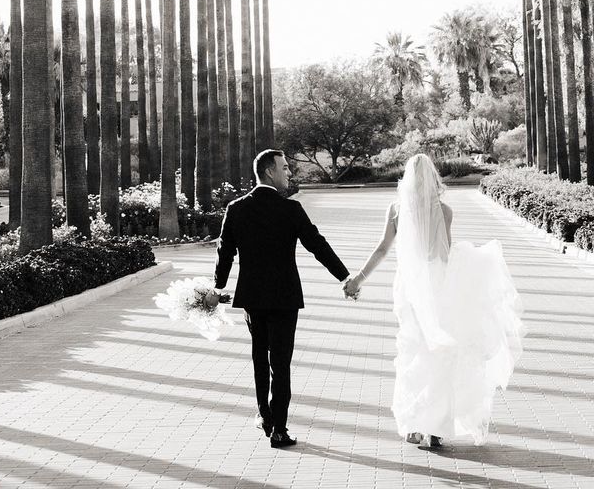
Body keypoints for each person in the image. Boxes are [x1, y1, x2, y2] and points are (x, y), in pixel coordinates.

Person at [343, 153, 523, 448]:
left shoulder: (396, 210)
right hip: (439, 286)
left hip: (409, 289)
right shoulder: (445, 211)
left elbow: (382, 250)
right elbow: (445, 254)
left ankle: (414, 425)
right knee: (439, 354)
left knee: (413, 352)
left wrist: (358, 279)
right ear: (433, 179)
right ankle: (437, 427)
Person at [214, 149, 353, 449]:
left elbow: (225, 252)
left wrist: (217, 288)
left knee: (259, 358)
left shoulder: (236, 209)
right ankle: (279, 429)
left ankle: (265, 416)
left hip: (252, 298)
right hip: (285, 298)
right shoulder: (291, 210)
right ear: (268, 172)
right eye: (285, 167)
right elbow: (318, 245)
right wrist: (344, 277)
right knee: (281, 363)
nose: (289, 173)